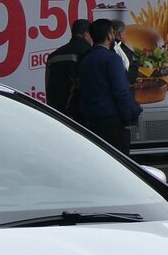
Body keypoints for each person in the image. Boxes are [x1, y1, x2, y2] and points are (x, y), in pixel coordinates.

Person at [76, 18, 141, 153]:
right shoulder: (112, 58)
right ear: (109, 35)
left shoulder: (85, 59)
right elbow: (121, 91)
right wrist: (129, 117)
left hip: (92, 120)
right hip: (113, 122)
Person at [44, 18, 91, 121]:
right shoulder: (91, 54)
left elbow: (48, 86)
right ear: (86, 34)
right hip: (81, 116)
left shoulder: (53, 56)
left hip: (57, 114)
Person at [110, 20, 137, 85]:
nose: (126, 36)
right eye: (125, 33)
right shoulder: (124, 50)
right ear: (120, 34)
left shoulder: (105, 48)